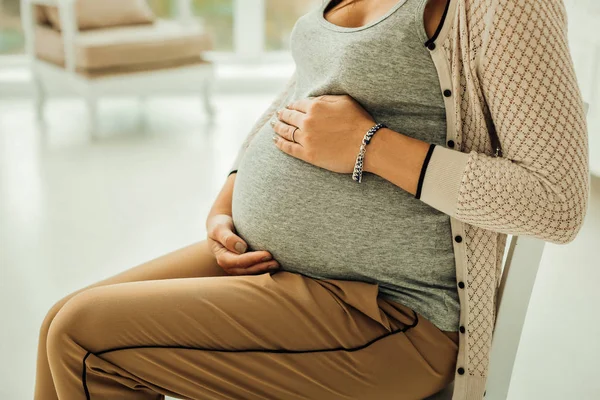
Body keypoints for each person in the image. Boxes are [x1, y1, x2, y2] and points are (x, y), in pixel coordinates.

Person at [35, 0, 589, 399]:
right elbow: (303, 90)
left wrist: (370, 146)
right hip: (266, 264)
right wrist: (227, 199)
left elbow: (556, 203)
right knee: (57, 324)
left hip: (385, 313)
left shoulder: (506, 6)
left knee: (82, 336)